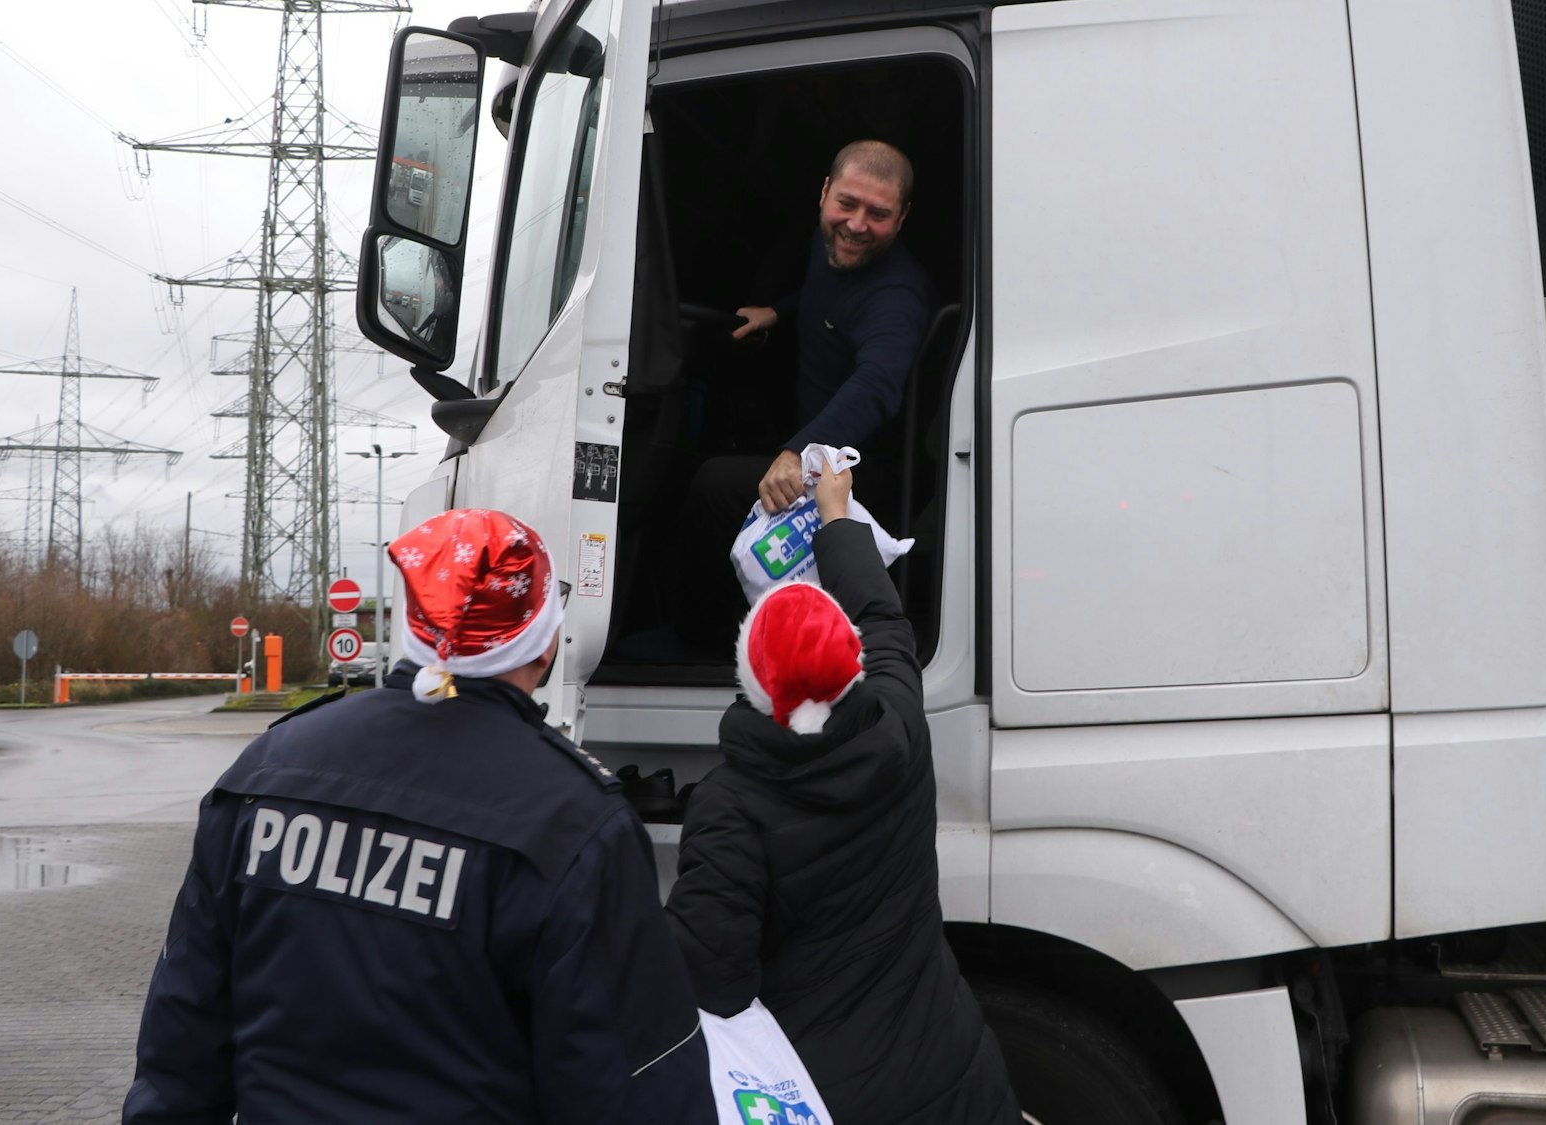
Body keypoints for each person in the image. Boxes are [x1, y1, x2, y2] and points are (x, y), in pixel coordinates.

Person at [123, 508, 715, 1125]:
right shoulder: (575, 822)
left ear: (411, 624)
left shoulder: (269, 770)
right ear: (542, 642)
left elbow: (182, 1034)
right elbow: (635, 1082)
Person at [665, 466, 1020, 1124]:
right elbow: (883, 618)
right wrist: (835, 515)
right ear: (850, 660)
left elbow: (713, 979)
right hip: (955, 1073)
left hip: (828, 1091)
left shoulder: (729, 807)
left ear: (751, 677)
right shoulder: (897, 728)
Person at [669, 139, 931, 650]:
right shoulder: (830, 243)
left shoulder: (896, 296)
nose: (856, 225)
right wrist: (779, 312)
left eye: (878, 214)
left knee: (711, 486)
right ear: (825, 193)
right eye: (847, 204)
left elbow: (876, 385)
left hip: (855, 470)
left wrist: (797, 453)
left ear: (901, 219)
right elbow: (825, 294)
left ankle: (707, 646)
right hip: (812, 435)